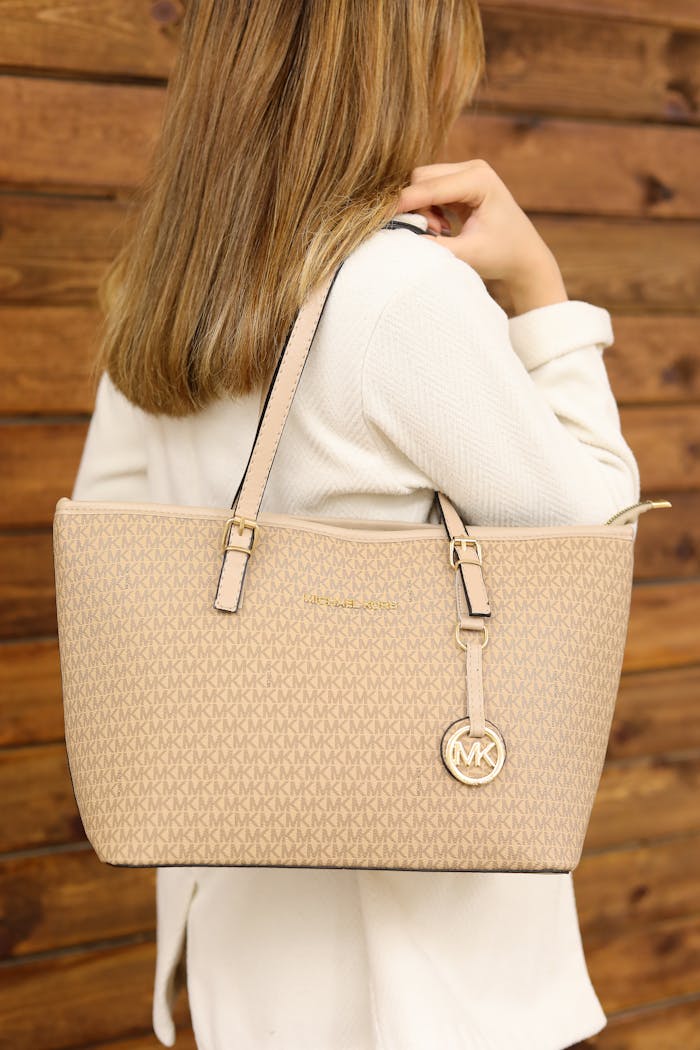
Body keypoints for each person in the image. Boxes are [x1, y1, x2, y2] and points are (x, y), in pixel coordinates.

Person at [69, 2, 640, 1048]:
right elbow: (589, 541)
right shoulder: (399, 293)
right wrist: (538, 288)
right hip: (428, 970)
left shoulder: (159, 293)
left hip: (237, 931)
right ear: (396, 66)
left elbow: (115, 542)